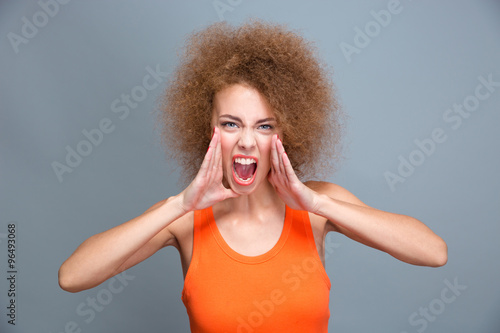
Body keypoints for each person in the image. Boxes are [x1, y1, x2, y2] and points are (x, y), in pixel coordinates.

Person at [58, 20, 447, 332]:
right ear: (207, 128)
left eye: (264, 126)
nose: (246, 141)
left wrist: (316, 202)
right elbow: (73, 276)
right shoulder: (184, 219)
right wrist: (179, 204)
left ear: (286, 132)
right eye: (231, 124)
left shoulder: (317, 207)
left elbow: (433, 252)